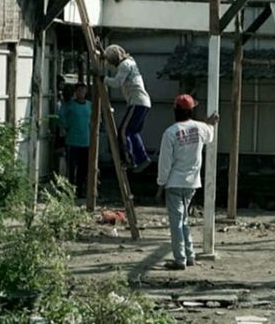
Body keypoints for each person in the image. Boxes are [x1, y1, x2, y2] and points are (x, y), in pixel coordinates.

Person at [156, 94, 219, 270]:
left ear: (175, 111)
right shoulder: (200, 128)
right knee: (183, 221)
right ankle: (189, 256)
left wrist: (160, 185)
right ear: (192, 110)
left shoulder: (170, 133)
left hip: (174, 183)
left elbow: (165, 163)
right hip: (192, 183)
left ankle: (180, 259)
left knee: (176, 222)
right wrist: (210, 123)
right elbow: (210, 134)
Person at [102, 44, 152, 173]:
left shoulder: (124, 65)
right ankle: (142, 158)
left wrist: (103, 79)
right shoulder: (129, 63)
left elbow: (117, 82)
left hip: (137, 102)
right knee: (133, 132)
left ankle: (129, 161)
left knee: (123, 132)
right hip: (142, 102)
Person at [58, 83, 92, 198]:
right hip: (72, 140)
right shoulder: (70, 105)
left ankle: (80, 191)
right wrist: (64, 128)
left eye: (83, 91)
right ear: (75, 92)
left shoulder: (89, 105)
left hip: (86, 141)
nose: (81, 93)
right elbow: (61, 117)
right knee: (72, 167)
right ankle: (70, 190)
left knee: (83, 168)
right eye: (79, 91)